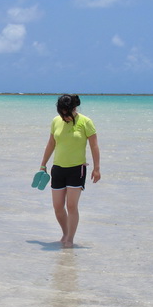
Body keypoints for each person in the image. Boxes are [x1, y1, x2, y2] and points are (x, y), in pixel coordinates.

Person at [39, 94, 101, 248]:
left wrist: (97, 168)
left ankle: (70, 239)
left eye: (67, 114)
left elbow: (94, 145)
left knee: (71, 206)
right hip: (58, 169)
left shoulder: (86, 122)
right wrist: (43, 164)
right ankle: (66, 232)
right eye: (62, 114)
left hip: (76, 169)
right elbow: (51, 143)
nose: (64, 117)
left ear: (74, 108)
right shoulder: (56, 121)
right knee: (58, 206)